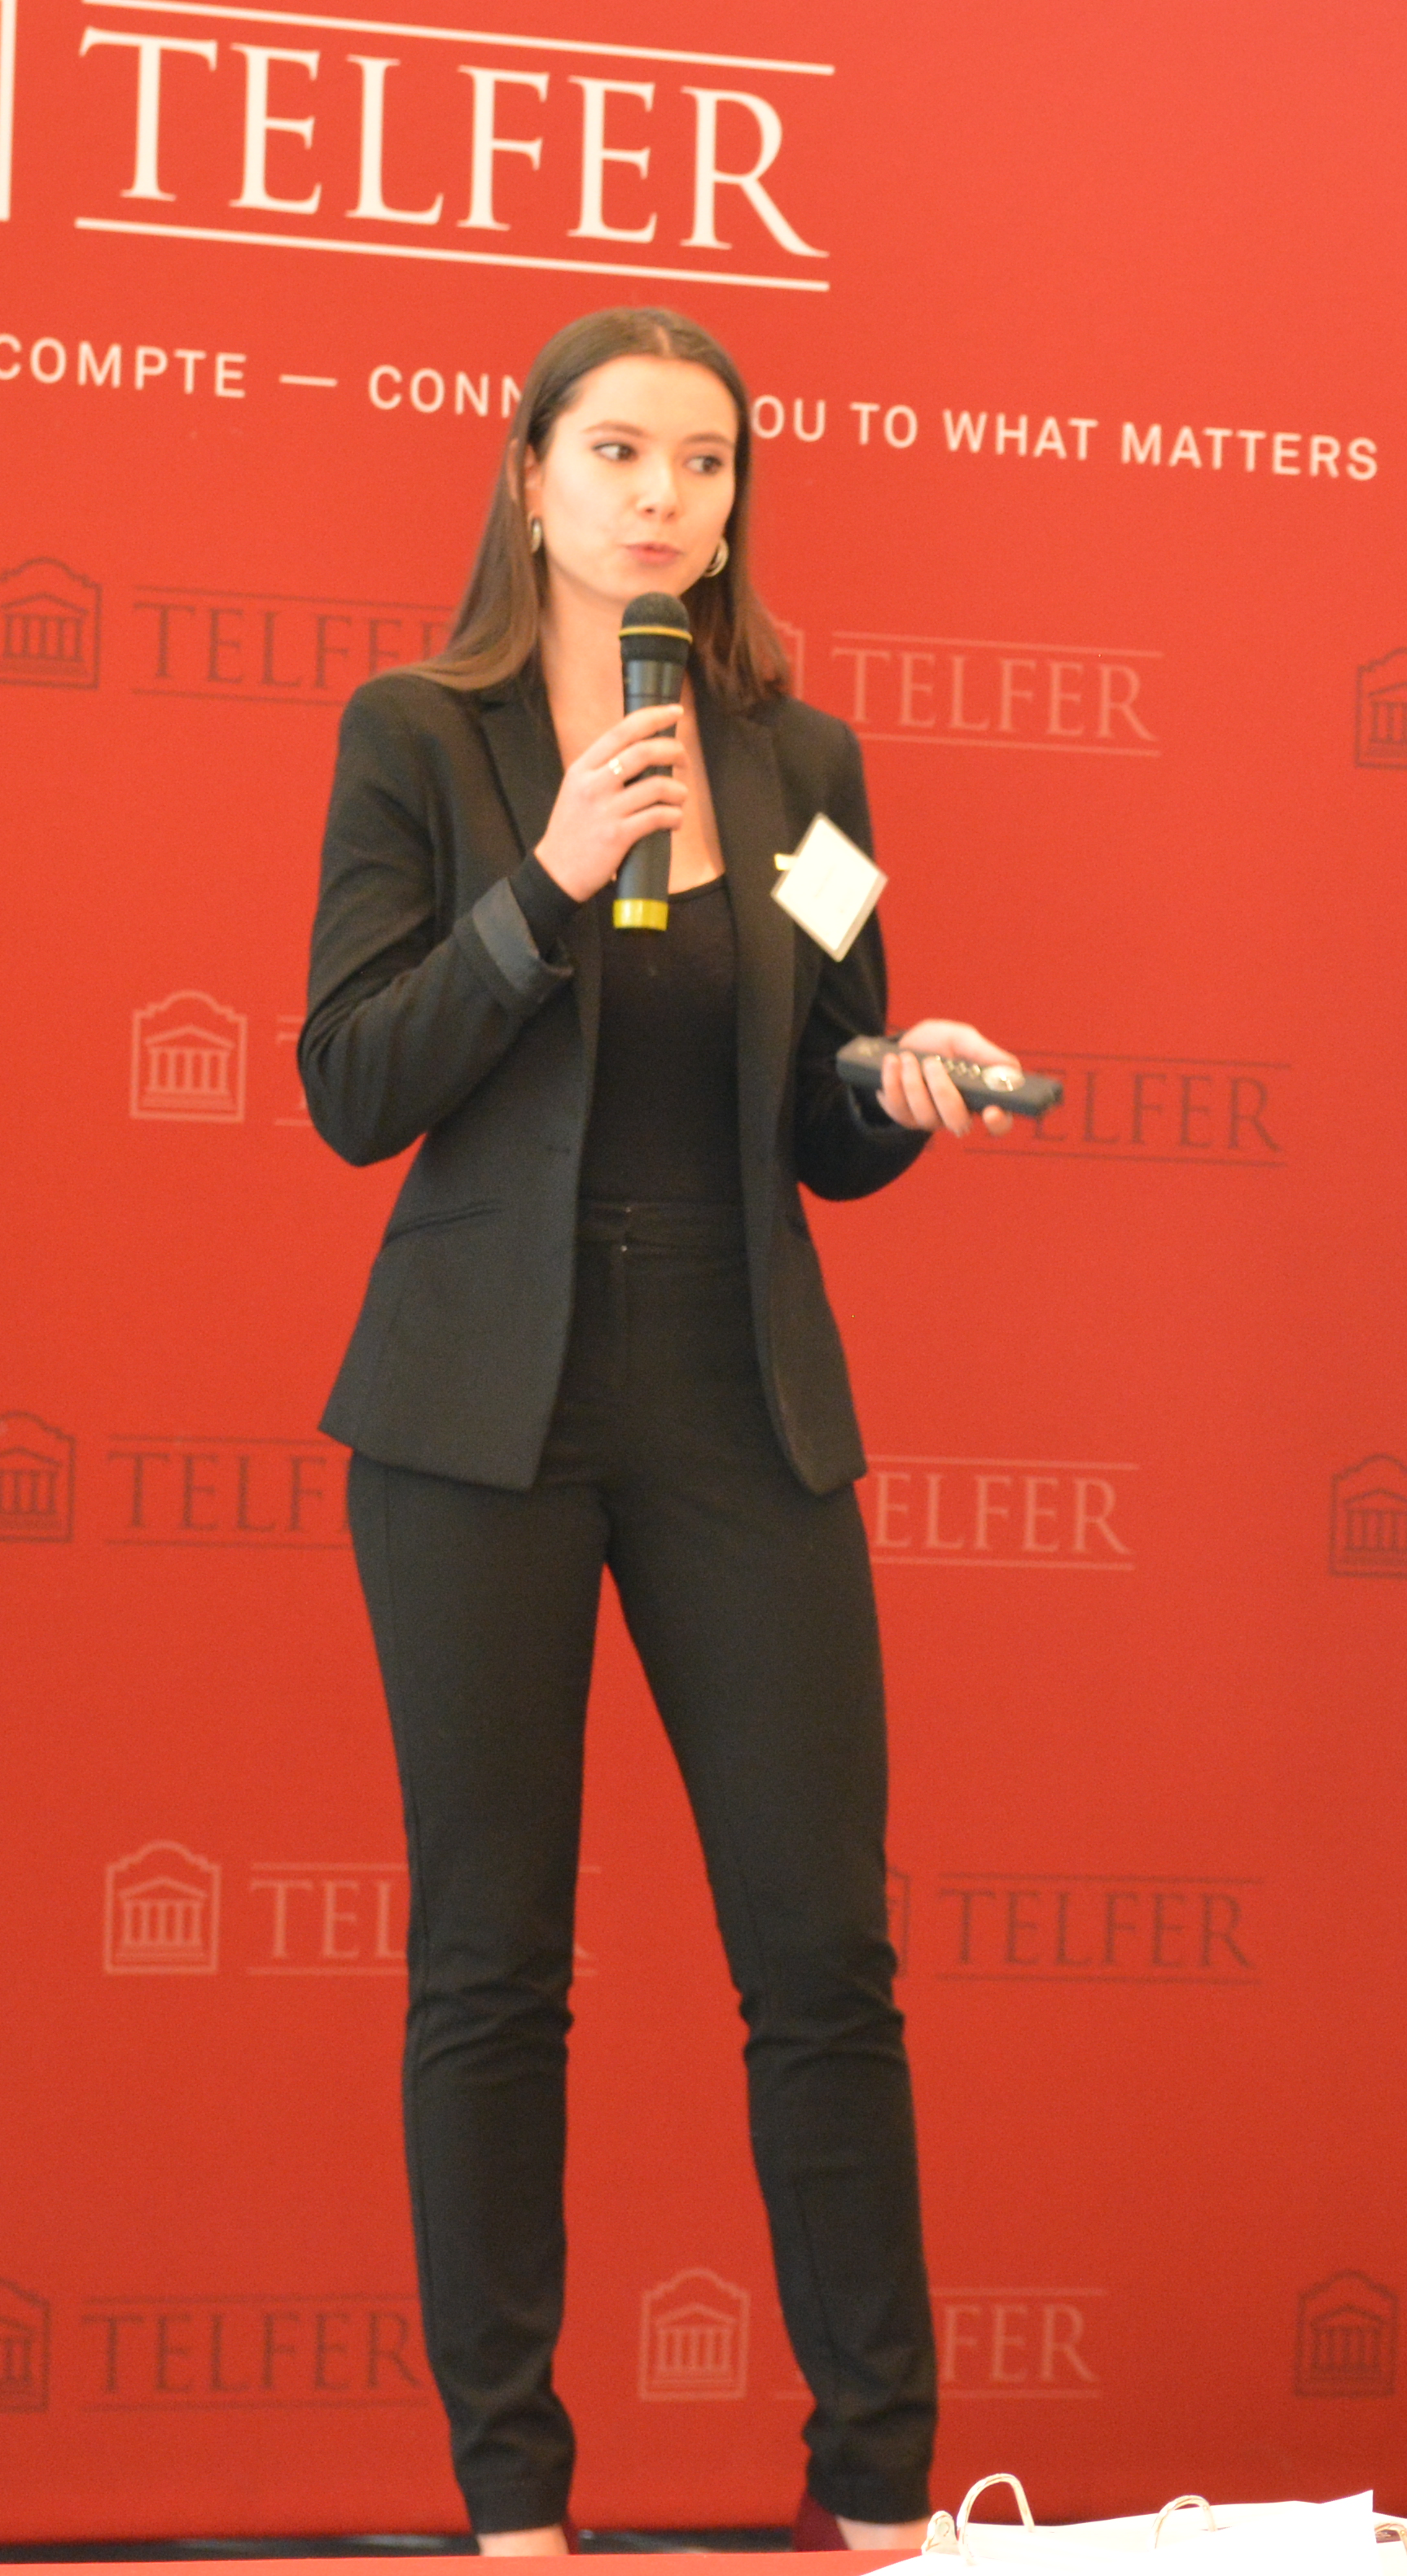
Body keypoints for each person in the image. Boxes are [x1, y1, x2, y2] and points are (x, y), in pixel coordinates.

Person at [302, 302, 1018, 2553]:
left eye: (705, 464)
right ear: (531, 478)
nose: (664, 499)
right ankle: (513, 2496)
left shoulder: (803, 761)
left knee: (823, 1953)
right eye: (619, 453)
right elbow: (351, 1082)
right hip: (475, 1413)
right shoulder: (417, 736)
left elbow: (820, 1108)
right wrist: (542, 882)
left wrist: (900, 1094)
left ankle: (882, 2496)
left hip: (737, 1395)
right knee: (493, 1959)